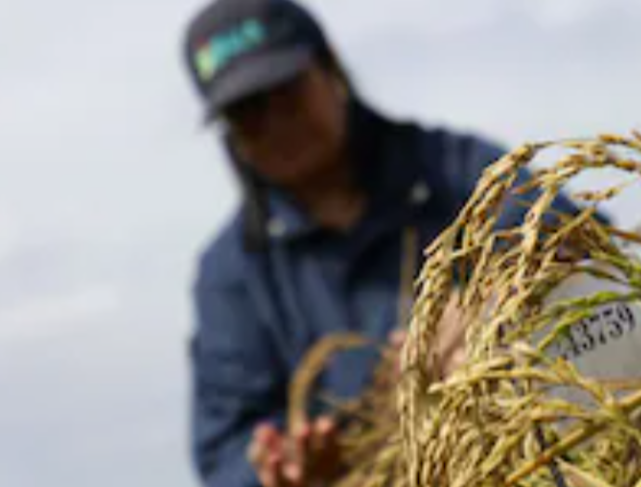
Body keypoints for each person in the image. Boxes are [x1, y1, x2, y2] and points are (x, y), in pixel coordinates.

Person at [182, 1, 586, 486]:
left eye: (287, 94)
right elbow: (224, 451)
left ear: (330, 69)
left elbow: (576, 236)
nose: (276, 125)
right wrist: (279, 471)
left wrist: (482, 312)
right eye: (248, 115)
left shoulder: (451, 167)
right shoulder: (232, 276)